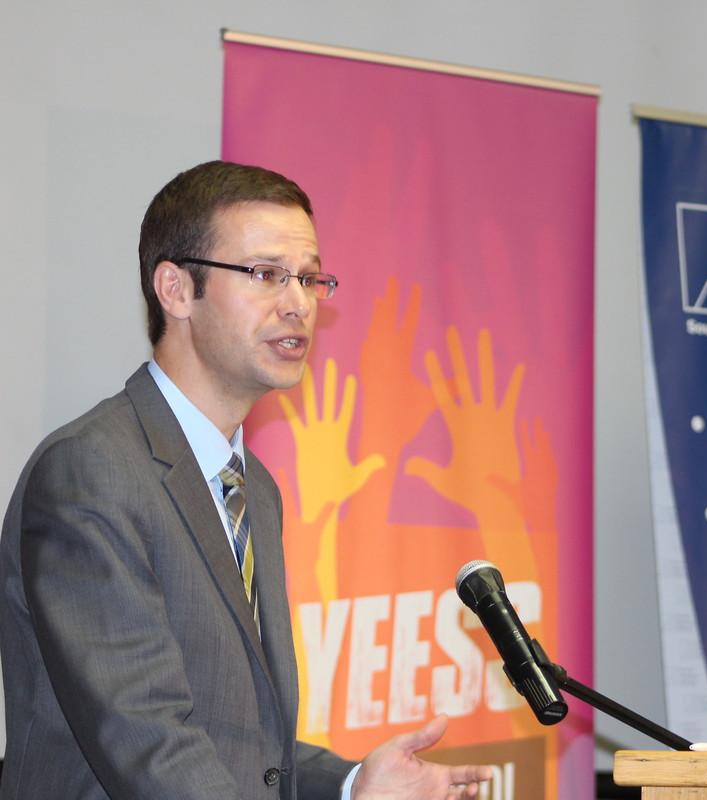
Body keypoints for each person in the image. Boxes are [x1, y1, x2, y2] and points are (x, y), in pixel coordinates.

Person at [0, 161, 491, 799]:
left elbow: (244, 743)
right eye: (266, 275)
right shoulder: (92, 472)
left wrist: (351, 785)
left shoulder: (253, 485)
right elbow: (150, 745)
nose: (299, 303)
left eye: (309, 278)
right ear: (176, 289)